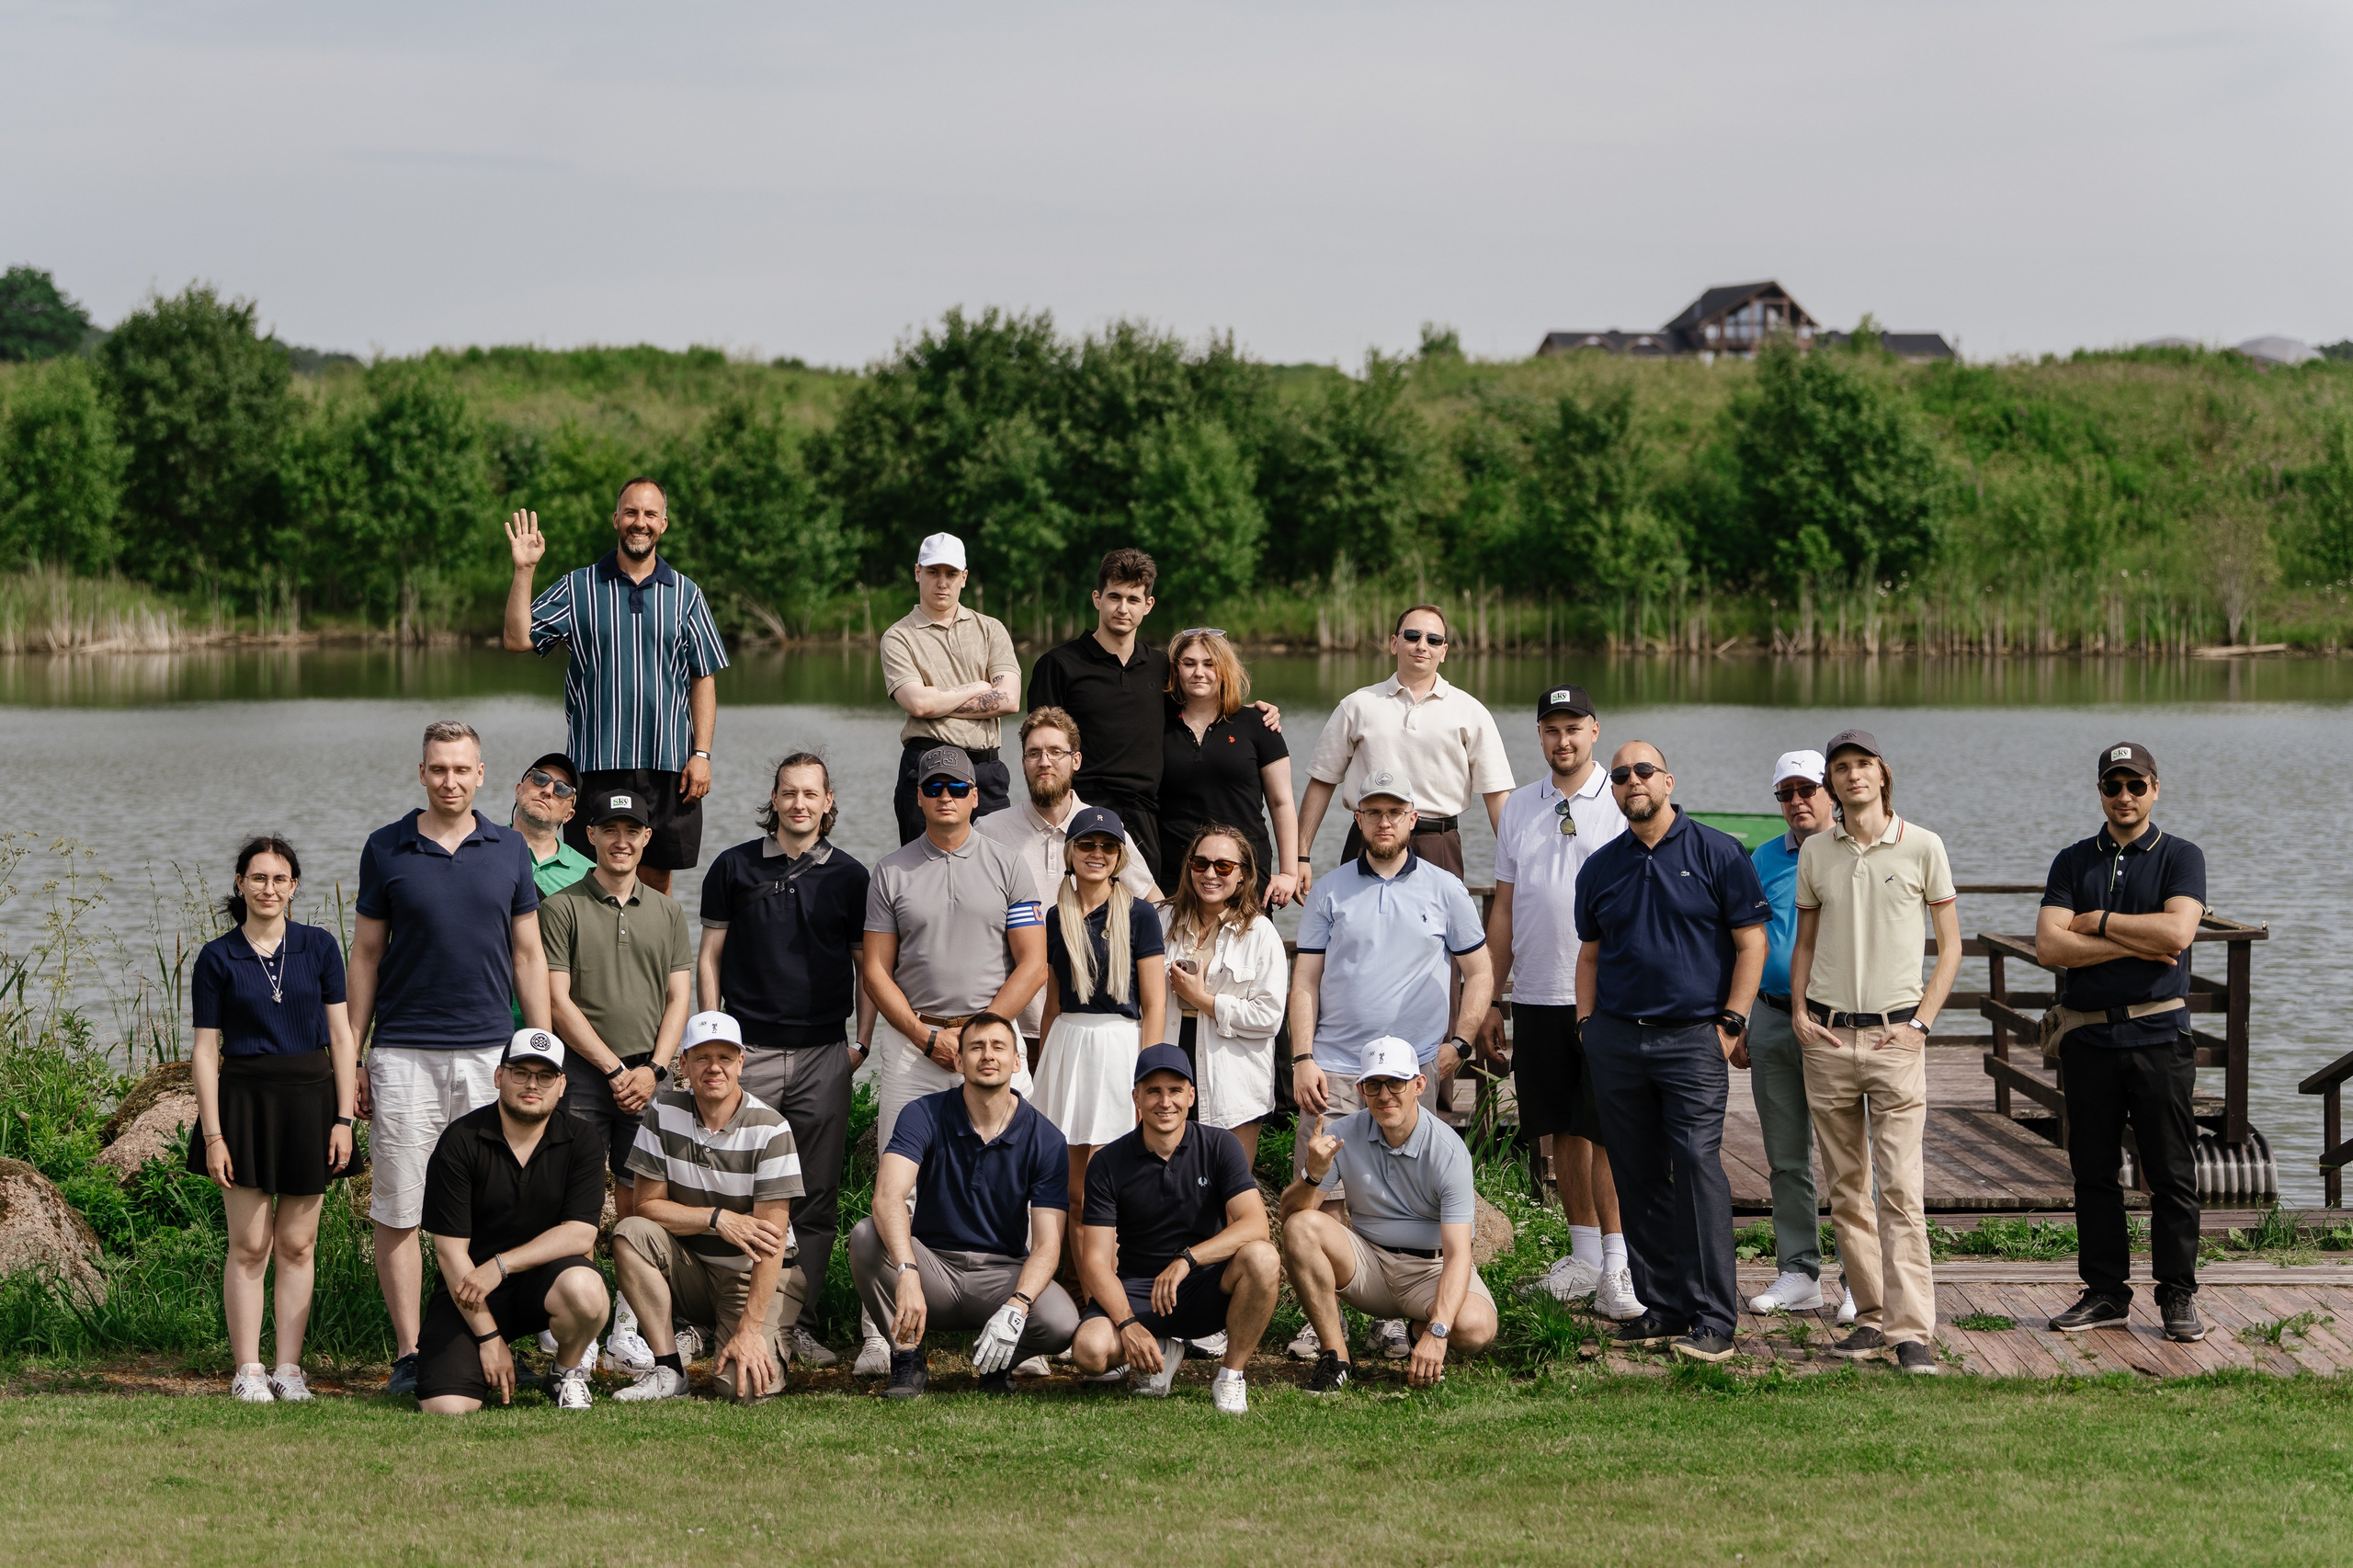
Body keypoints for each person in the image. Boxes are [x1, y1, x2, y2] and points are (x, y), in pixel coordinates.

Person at [348, 720, 551, 1397]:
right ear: (422, 772)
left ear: (482, 774)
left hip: (490, 1055)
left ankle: (488, 1340)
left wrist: (541, 1054)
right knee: (401, 1206)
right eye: (439, 769)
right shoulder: (385, 849)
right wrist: (352, 1058)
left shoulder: (509, 851)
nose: (450, 781)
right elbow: (366, 956)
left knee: (494, 1211)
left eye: (462, 769)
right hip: (404, 1052)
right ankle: (410, 1353)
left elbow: (529, 956)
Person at [1573, 742, 1768, 1366]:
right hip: (1618, 1040)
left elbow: (1751, 941)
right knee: (1634, 1170)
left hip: (1692, 1039)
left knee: (1696, 1166)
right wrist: (1586, 1024)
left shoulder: (1717, 852)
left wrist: (1733, 1020)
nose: (1632, 781)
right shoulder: (1601, 867)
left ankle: (1714, 1318)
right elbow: (1590, 954)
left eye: (1643, 771)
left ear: (1667, 781)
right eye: (1622, 774)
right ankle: (1663, 1307)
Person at [1287, 768, 1492, 1364]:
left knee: (1407, 1194)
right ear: (1358, 818)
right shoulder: (1328, 890)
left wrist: (1461, 1040)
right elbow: (1306, 981)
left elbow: (1478, 972)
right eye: (1371, 812)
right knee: (1324, 1198)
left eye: (1393, 811)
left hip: (1412, 1069)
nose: (1382, 822)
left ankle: (1398, 1317)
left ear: (1412, 818)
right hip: (1333, 1064)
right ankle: (1322, 1324)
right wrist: (1302, 1057)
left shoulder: (1445, 888)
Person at [857, 744, 1051, 1374]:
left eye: (957, 787)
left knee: (1020, 1185)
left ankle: (1016, 1331)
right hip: (917, 1042)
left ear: (975, 796)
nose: (944, 795)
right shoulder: (890, 871)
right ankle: (882, 1335)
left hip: (993, 1040)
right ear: (918, 795)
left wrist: (985, 1033)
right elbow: (877, 972)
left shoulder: (1008, 864)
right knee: (897, 1190)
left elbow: (1033, 962)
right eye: (932, 785)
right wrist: (923, 1035)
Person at [1789, 730, 1961, 1375]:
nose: (1854, 776)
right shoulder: (1815, 851)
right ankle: (1870, 1316)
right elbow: (1803, 942)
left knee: (1901, 1191)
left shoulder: (1922, 845)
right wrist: (1801, 1013)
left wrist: (1921, 1024)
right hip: (1829, 1040)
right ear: (1831, 783)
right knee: (1846, 1189)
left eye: (1864, 766)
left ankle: (1913, 1331)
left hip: (1896, 1040)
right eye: (1842, 768)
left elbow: (1951, 948)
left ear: (1883, 775)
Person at [696, 753, 873, 1369]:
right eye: (789, 792)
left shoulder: (851, 877)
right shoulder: (733, 866)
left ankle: (798, 1323)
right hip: (751, 1054)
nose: (799, 803)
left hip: (826, 1053)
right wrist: (716, 1043)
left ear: (828, 803)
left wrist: (862, 1042)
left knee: (815, 1199)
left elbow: (866, 967)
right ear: (773, 799)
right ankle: (732, 1319)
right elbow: (709, 957)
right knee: (740, 1195)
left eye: (811, 794)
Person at [1475, 685, 1641, 1322]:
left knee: (1605, 1131)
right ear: (1539, 736)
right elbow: (1506, 909)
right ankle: (1582, 1260)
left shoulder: (1623, 799)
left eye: (1574, 728)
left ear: (1595, 731)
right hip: (1538, 993)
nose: (1563, 740)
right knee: (1563, 1129)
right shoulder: (1518, 807)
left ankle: (1620, 1265)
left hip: (1605, 996)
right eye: (1551, 730)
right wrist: (1491, 996)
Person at [2034, 741, 2209, 1344]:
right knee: (2093, 1173)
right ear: (2101, 793)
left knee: (2172, 1173)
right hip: (2088, 1039)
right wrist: (2143, 941)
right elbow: (2051, 947)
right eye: (2114, 786)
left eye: (2137, 785)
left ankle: (2178, 1295)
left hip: (2160, 1037)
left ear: (2156, 789)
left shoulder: (2182, 857)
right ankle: (2106, 1293)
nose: (2125, 797)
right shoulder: (2073, 861)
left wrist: (2098, 921)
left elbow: (2179, 932)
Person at [188, 835, 358, 1404]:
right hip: (243, 1106)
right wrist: (214, 1134)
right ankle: (249, 1370)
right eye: (258, 878)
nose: (269, 888)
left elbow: (341, 1035)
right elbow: (206, 1052)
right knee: (249, 1244)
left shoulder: (319, 947)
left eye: (280, 879)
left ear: (293, 887)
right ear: (240, 884)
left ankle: (289, 1367)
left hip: (312, 1105)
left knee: (298, 1244)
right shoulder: (217, 957)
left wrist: (343, 1118)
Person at [504, 478, 728, 896]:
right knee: (590, 881)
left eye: (648, 515)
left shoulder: (687, 594)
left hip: (669, 767)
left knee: (656, 879)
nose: (638, 523)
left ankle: (653, 962)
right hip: (595, 765)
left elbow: (704, 677)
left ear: (664, 523)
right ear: (616, 520)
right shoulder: (579, 587)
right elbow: (518, 639)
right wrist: (524, 570)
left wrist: (701, 754)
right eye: (630, 513)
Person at [847, 1013, 1082, 1399]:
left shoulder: (1047, 1139)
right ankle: (907, 1358)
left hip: (1000, 1275)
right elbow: (887, 1197)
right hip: (932, 1269)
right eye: (976, 1047)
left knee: (1059, 1322)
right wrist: (907, 1270)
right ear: (958, 1061)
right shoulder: (922, 1113)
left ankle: (995, 1362)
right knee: (865, 1236)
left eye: (998, 1047)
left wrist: (1018, 1305)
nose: (987, 1056)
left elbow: (1047, 1246)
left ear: (1017, 1061)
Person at [539, 786, 690, 1372]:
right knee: (571, 1200)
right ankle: (568, 1320)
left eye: (633, 831)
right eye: (610, 830)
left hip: (648, 1076)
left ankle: (630, 1326)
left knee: (639, 1204)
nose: (622, 841)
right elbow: (557, 1000)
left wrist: (652, 1068)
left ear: (646, 838)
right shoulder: (562, 907)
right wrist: (613, 1068)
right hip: (581, 1074)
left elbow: (680, 995)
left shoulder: (668, 910)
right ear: (592, 837)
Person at [1279, 1036, 1499, 1394]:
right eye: (1374, 1084)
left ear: (1419, 1085)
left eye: (1396, 1083)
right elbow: (1291, 1215)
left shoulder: (1448, 1151)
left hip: (1431, 1270)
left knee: (1475, 1328)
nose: (1384, 1095)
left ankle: (1418, 1331)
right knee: (1302, 1226)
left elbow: (1460, 1254)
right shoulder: (1342, 1133)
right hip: (1370, 1265)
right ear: (1361, 1089)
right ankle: (1336, 1357)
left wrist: (1438, 1331)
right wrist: (1312, 1174)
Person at [1070, 1044, 1280, 1414]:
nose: (1164, 1102)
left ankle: (1231, 1377)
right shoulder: (1107, 1162)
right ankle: (1161, 1347)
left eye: (1175, 1090)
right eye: (1153, 1091)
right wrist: (1129, 1324)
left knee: (1262, 1257)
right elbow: (1096, 1263)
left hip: (1206, 1284)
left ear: (1191, 1095)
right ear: (1136, 1097)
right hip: (1140, 1289)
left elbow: (1255, 1225)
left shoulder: (1220, 1145)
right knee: (1089, 1351)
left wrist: (1188, 1260)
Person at [609, 1011, 807, 1403]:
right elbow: (645, 1207)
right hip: (692, 1269)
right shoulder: (664, 1112)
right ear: (682, 1064)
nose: (713, 1068)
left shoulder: (772, 1129)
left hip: (753, 1276)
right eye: (701, 1058)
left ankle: (767, 1333)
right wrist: (717, 1219)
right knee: (629, 1233)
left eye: (725, 1057)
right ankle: (669, 1369)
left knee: (743, 1391)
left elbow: (770, 1243)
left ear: (740, 1063)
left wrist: (749, 1329)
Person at [415, 1029, 610, 1415]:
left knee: (586, 1289)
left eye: (545, 1075)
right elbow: (449, 1253)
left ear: (561, 1085)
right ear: (499, 1076)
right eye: (520, 1072)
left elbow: (581, 1232)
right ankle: (486, 1358)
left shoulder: (582, 1139)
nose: (532, 1084)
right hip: (470, 1290)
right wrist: (489, 1339)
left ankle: (566, 1372)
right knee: (447, 1407)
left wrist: (500, 1266)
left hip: (545, 1283)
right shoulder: (461, 1140)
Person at [975, 706, 1160, 1050]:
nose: (1044, 762)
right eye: (1034, 753)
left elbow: (1154, 904)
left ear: (1075, 760)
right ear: (1023, 763)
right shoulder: (989, 831)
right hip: (1008, 1026)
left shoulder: (1104, 832)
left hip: (1079, 1026)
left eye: (1055, 752)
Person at [1296, 604, 1513, 886]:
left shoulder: (1471, 712)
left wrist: (1514, 867)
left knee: (1436, 930)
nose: (1422, 646)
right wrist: (1301, 857)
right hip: (1369, 838)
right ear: (1394, 643)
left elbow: (1497, 796)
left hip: (1438, 845)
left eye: (1433, 640)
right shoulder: (1356, 705)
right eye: (1412, 636)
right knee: (1356, 930)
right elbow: (1322, 782)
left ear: (1443, 652)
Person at [1032, 805, 1167, 1250]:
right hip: (1067, 1048)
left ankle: (1112, 1295)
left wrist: (1147, 1075)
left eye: (1108, 846)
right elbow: (1052, 1004)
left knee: (1108, 1187)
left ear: (1119, 856)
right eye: (1087, 844)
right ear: (1071, 852)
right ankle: (1076, 1296)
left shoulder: (1141, 915)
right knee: (1070, 1190)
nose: (1097, 853)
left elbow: (1154, 1003)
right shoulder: (1055, 918)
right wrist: (1042, 1071)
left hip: (1119, 1048)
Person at [1744, 749, 1846, 1320]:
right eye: (1786, 794)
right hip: (1772, 1018)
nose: (1798, 802)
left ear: (1830, 792)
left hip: (1836, 1025)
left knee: (1850, 1158)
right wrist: (1735, 1019)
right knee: (1786, 1157)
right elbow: (1743, 939)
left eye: (1808, 790)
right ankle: (1799, 1270)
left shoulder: (1852, 851)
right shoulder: (1763, 857)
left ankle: (1861, 1277)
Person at [1026, 548, 1176, 874]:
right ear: (1097, 599)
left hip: (1146, 817)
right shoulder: (1059, 665)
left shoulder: (1162, 667)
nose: (1123, 608)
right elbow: (1039, 750)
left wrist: (1247, 711)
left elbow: (1197, 716)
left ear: (1148, 605)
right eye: (1114, 597)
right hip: (1080, 815)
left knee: (1142, 918)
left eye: (1133, 599)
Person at [879, 531, 1020, 844]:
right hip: (927, 769)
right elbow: (918, 704)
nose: (942, 582)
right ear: (918, 573)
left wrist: (937, 700)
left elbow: (1009, 699)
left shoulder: (990, 629)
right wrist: (978, 686)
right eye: (933, 572)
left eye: (951, 573)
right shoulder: (898, 637)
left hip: (986, 771)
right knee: (924, 876)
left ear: (964, 577)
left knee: (996, 875)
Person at [1159, 824, 1288, 1165]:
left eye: (1224, 866)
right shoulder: (1162, 919)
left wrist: (1204, 1000)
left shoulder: (1261, 934)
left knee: (1229, 1190)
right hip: (1168, 1063)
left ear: (1243, 876)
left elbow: (1269, 1017)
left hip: (1233, 1080)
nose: (1210, 873)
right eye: (1200, 864)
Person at [1158, 628, 1300, 906]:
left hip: (1244, 872)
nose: (1199, 672)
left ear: (1224, 669)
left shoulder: (1258, 724)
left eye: (1209, 664)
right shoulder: (1156, 724)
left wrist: (1289, 872)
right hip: (1175, 875)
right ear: (1176, 670)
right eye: (1189, 663)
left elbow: (1281, 802)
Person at [507, 752, 595, 1032]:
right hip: (486, 1017)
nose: (547, 790)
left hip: (558, 1023)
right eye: (540, 778)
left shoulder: (591, 874)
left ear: (569, 814)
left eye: (562, 789)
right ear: (519, 789)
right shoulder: (480, 849)